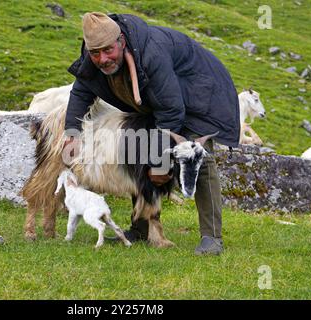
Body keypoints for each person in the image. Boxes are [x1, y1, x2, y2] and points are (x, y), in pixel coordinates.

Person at [63, 12, 240, 255]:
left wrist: (159, 162)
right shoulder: (93, 55)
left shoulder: (151, 54)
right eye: (96, 54)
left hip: (202, 96)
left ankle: (212, 238)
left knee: (198, 158)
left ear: (121, 41)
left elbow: (171, 111)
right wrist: (72, 134)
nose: (103, 59)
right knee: (138, 152)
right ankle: (141, 229)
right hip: (161, 101)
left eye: (108, 51)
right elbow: (81, 92)